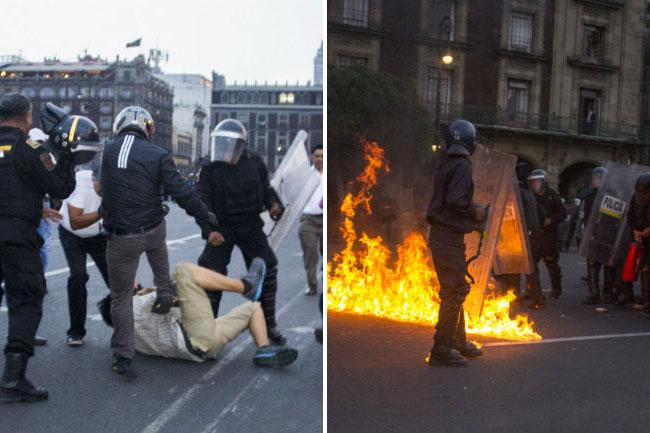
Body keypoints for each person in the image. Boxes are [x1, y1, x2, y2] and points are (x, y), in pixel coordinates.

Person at [100, 106, 218, 380]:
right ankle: (165, 292)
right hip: (152, 228)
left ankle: (123, 356)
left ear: (119, 126)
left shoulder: (108, 151)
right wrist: (206, 217)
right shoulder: (158, 153)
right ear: (148, 128)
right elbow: (181, 192)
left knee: (120, 297)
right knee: (158, 247)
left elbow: (108, 191)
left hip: (122, 235)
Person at [0, 97, 98, 402]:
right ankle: (13, 378)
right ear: (26, 118)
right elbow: (60, 188)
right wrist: (66, 156)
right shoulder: (31, 150)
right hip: (17, 237)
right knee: (27, 299)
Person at [96, 259, 298, 373]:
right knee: (183, 270)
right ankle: (246, 286)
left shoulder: (132, 342)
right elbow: (167, 294)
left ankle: (264, 351)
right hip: (195, 337)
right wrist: (143, 291)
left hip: (204, 349)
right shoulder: (134, 307)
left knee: (253, 309)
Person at [196, 119, 286, 345]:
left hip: (249, 223)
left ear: (240, 145)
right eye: (222, 142)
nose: (225, 147)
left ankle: (269, 324)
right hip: (221, 226)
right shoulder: (209, 166)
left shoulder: (253, 161)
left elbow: (266, 189)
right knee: (211, 273)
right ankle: (207, 328)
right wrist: (209, 231)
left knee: (267, 268)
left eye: (230, 143)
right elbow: (201, 201)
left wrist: (274, 204)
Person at [425, 119, 487, 367]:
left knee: (457, 288)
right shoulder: (462, 165)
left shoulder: (445, 162)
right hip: (448, 237)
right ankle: (441, 347)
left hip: (443, 235)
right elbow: (455, 201)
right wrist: (477, 213)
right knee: (453, 291)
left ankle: (457, 341)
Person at [58, 164, 111, 346]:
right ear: (97, 181)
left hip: (98, 236)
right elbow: (75, 222)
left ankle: (124, 330)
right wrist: (101, 212)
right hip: (72, 234)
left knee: (118, 280)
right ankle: (76, 331)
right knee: (78, 276)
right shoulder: (82, 184)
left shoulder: (117, 187)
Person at [526, 169, 566, 300]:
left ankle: (556, 289)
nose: (534, 184)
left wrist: (551, 220)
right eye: (532, 182)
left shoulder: (553, 196)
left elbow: (562, 214)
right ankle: (531, 290)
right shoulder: (531, 197)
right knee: (530, 265)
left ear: (543, 182)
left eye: (536, 182)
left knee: (552, 265)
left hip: (550, 237)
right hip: (535, 236)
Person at [582, 167, 618, 305]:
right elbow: (586, 216)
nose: (595, 180)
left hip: (608, 234)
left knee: (609, 265)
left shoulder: (613, 196)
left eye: (599, 177)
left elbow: (617, 217)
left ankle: (607, 292)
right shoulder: (590, 197)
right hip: (594, 235)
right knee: (592, 264)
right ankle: (594, 292)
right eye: (594, 177)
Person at [300, 145, 323, 296]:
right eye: (316, 156)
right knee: (310, 251)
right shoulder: (305, 175)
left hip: (324, 218)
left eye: (322, 156)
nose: (319, 159)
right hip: (308, 218)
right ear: (311, 157)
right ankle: (312, 284)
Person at [626, 173, 650, 317]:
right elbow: (630, 216)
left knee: (648, 269)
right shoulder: (636, 199)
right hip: (642, 238)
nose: (643, 197)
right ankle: (646, 300)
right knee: (643, 269)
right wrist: (635, 230)